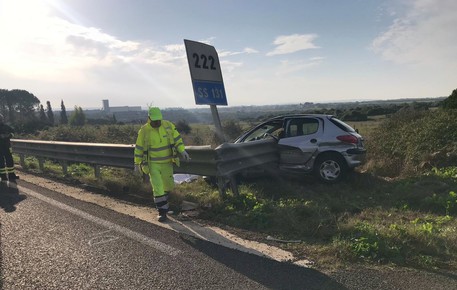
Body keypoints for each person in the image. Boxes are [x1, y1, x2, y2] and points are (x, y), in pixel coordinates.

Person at [134, 107, 190, 222]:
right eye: (154, 121)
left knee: (168, 185)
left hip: (167, 163)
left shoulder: (168, 126)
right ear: (149, 119)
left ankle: (165, 204)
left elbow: (177, 139)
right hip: (153, 164)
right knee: (158, 187)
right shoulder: (144, 131)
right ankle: (162, 212)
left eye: (158, 120)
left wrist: (182, 150)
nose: (157, 123)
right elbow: (139, 148)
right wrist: (137, 163)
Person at [0, 113, 18, 181]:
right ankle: (3, 176)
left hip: (7, 147)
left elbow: (13, 132)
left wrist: (8, 135)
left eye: (0, 119)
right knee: (1, 161)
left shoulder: (6, 126)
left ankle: (11, 175)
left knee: (9, 160)